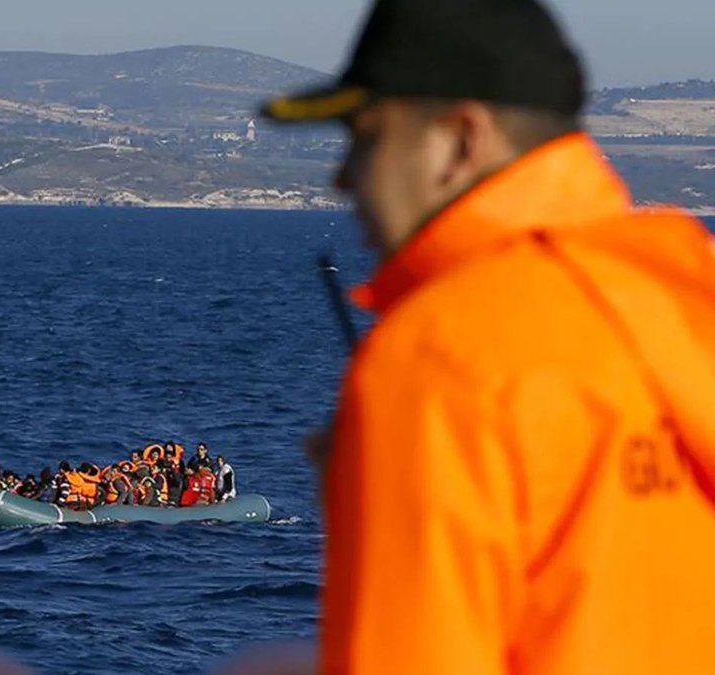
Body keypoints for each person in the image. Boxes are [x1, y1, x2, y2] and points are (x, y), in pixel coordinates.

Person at [255, 0, 715, 673]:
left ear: (462, 139)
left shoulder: (439, 358)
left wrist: (383, 509)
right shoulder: (685, 286)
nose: (344, 176)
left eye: (366, 136)